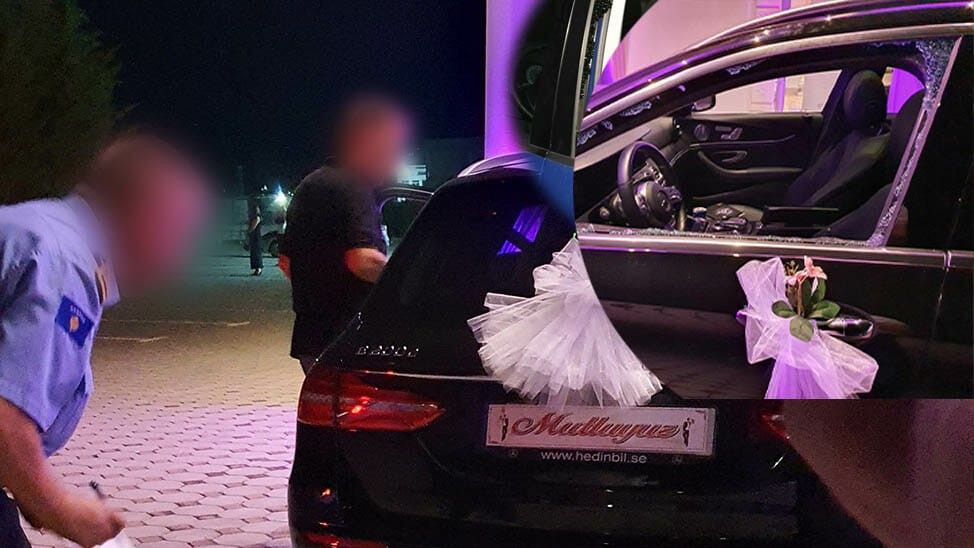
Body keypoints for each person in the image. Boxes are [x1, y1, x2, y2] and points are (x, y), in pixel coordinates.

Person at [0, 132, 210, 547]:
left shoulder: (50, 231)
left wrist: (28, 489)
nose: (177, 259)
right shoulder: (68, 264)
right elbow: (6, 419)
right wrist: (63, 511)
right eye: (178, 232)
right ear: (143, 213)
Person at [280, 96, 412, 373]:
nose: (391, 163)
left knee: (323, 402)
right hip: (349, 339)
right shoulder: (354, 188)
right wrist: (407, 279)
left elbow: (286, 263)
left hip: (311, 337)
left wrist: (318, 287)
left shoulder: (310, 184)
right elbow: (362, 260)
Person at [247, 193, 263, 276]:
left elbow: (257, 219)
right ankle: (257, 268)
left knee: (256, 251)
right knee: (254, 251)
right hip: (254, 233)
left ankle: (258, 268)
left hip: (255, 233)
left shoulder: (255, 208)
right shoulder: (254, 208)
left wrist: (250, 230)